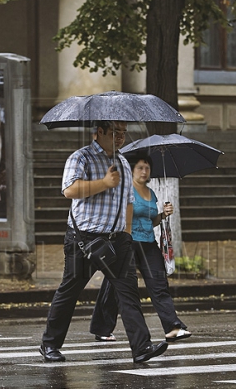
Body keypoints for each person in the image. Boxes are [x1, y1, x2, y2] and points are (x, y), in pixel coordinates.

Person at [40, 120, 168, 364]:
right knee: (70, 291)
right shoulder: (81, 158)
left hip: (118, 240)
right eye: (115, 132)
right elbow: (69, 190)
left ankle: (141, 348)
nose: (120, 137)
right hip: (84, 241)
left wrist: (128, 234)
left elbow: (128, 201)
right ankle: (49, 345)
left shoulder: (122, 162)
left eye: (123, 132)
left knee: (128, 293)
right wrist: (104, 183)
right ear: (99, 132)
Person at [90, 155, 192, 342]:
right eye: (140, 167)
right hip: (126, 243)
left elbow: (149, 220)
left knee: (159, 284)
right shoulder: (124, 191)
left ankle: (173, 327)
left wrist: (162, 215)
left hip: (149, 244)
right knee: (114, 287)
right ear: (132, 170)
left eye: (147, 168)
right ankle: (102, 328)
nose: (144, 171)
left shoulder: (151, 193)